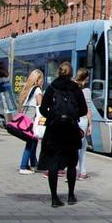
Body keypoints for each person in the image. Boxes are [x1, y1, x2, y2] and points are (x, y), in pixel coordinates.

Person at [38, 62, 87, 207]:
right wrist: (72, 116)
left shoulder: (52, 87)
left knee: (53, 163)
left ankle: (54, 198)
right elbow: (83, 110)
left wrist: (52, 116)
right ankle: (71, 196)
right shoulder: (76, 89)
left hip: (54, 129)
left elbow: (42, 109)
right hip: (71, 129)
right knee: (72, 163)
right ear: (71, 73)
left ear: (58, 72)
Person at [17, 69, 44, 174]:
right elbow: (41, 106)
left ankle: (34, 164)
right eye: (42, 78)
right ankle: (23, 167)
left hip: (25, 120)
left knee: (33, 141)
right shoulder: (37, 90)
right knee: (31, 143)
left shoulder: (28, 89)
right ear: (38, 79)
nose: (43, 81)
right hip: (32, 121)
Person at [74, 68, 93, 180]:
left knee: (79, 146)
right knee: (80, 147)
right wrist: (90, 125)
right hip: (82, 120)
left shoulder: (72, 86)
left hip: (72, 119)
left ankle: (81, 171)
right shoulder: (86, 91)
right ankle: (78, 172)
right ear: (86, 78)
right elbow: (88, 109)